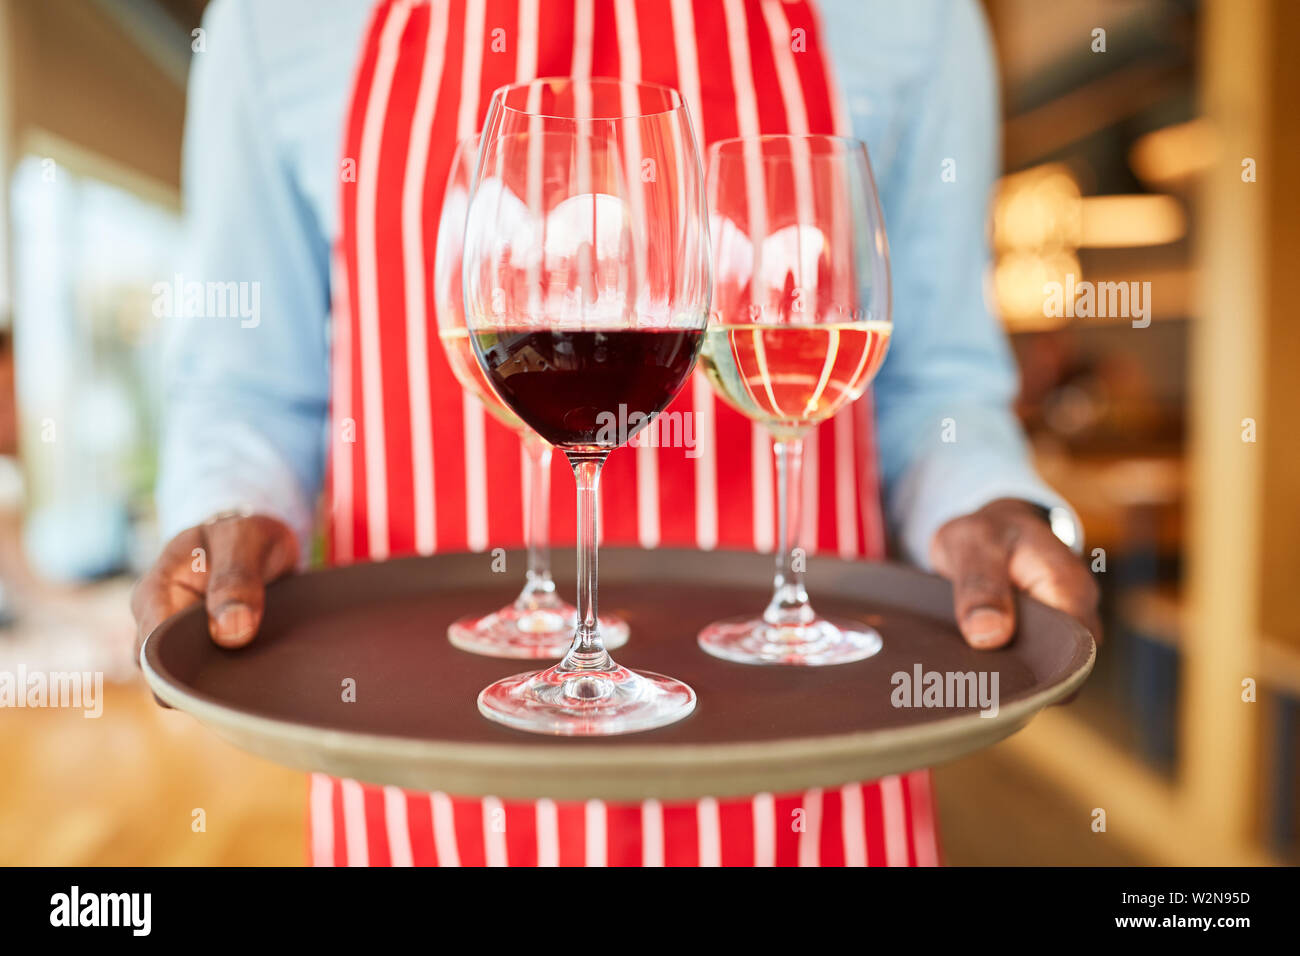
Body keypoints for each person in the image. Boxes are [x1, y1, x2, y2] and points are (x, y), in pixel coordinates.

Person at [132, 0, 1100, 866]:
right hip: (427, 771)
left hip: (805, 771)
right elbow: (245, 385)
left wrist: (988, 501)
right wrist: (231, 508)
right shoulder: (270, 19)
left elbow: (936, 379)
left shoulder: (915, 16)